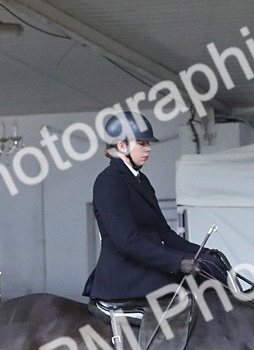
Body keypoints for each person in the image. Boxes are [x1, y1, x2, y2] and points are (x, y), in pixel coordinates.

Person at [83, 112, 226, 303]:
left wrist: (203, 252)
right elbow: (127, 241)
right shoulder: (109, 181)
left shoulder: (142, 181)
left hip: (145, 265)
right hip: (125, 273)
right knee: (186, 287)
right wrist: (177, 262)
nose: (148, 149)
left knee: (212, 266)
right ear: (122, 145)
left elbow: (165, 234)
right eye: (142, 143)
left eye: (148, 144)